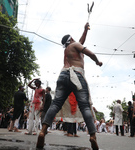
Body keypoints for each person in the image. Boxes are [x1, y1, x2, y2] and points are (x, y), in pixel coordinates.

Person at [36, 22, 102, 150]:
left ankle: (42, 131)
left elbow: (81, 41)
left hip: (63, 76)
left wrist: (85, 31)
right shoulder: (75, 45)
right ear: (71, 39)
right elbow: (90, 53)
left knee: (55, 104)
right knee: (85, 106)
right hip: (76, 74)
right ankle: (93, 136)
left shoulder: (67, 50)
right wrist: (97, 61)